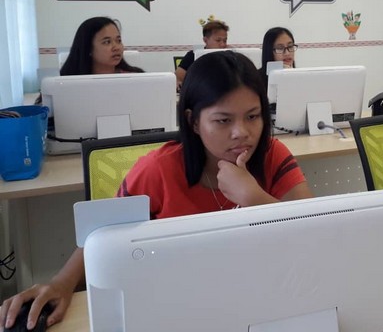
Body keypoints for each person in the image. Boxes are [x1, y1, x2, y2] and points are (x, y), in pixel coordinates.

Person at [1, 51, 313, 330]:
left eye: (253, 116)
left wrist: (253, 198)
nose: (241, 132)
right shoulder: (158, 169)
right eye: (222, 120)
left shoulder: (272, 155)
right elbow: (102, 237)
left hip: (260, 298)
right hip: (179, 307)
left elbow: (313, 232)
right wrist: (61, 283)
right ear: (193, 122)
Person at [60, 16, 144, 75]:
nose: (117, 47)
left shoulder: (136, 76)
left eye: (118, 41)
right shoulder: (68, 82)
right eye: (107, 42)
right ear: (88, 48)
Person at [175, 17, 229, 89]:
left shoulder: (229, 57)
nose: (223, 44)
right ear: (205, 40)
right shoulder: (193, 55)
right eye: (218, 40)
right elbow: (178, 78)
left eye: (225, 41)